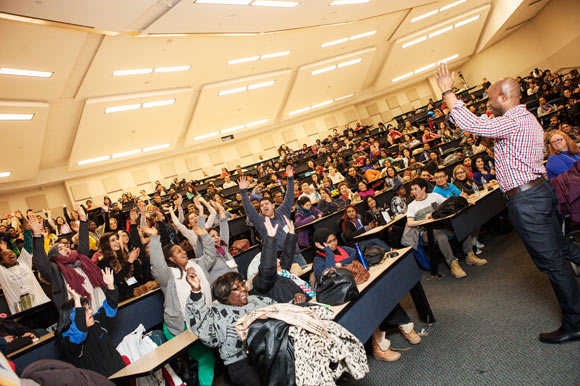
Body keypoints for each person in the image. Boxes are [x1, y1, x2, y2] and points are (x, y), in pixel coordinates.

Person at [436, 63, 580, 342]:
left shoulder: (513, 120)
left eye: (490, 100)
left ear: (503, 96)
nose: (489, 105)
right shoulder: (526, 119)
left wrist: (447, 91)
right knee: (561, 247)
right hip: (539, 193)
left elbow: (471, 123)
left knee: (552, 262)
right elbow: (502, 148)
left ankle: (575, 323)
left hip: (527, 200)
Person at [312, 228, 420, 362]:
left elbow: (358, 254)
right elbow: (329, 273)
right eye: (329, 242)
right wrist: (329, 253)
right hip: (343, 298)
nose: (334, 243)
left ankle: (405, 325)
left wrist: (341, 263)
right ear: (320, 244)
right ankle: (379, 347)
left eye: (334, 239)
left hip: (359, 283)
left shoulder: (342, 249)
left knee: (381, 291)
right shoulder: (318, 261)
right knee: (366, 303)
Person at [147, 223, 216, 386]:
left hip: (204, 321)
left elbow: (211, 256)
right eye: (178, 251)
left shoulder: (197, 265)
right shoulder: (168, 276)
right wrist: (154, 238)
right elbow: (157, 265)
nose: (183, 251)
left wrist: (204, 235)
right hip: (181, 327)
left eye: (182, 249)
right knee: (206, 356)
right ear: (171, 259)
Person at [185, 270, 276, 386]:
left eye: (242, 285)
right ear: (225, 295)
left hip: (269, 353)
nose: (243, 289)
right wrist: (196, 292)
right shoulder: (217, 312)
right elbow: (205, 332)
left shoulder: (255, 300)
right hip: (242, 362)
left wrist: (295, 303)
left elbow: (279, 311)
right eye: (236, 288)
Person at [403, 178, 487, 279]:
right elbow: (410, 222)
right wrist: (425, 220)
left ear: (423, 188)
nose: (413, 192)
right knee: (441, 236)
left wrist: (467, 201)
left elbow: (449, 204)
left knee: (461, 227)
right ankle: (453, 264)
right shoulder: (412, 205)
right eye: (412, 190)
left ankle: (470, 255)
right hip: (426, 232)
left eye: (416, 189)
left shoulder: (434, 196)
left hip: (441, 226)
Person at [29, 206, 107, 313]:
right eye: (60, 248)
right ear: (54, 255)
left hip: (97, 298)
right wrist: (37, 235)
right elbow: (41, 262)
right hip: (77, 309)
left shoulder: (79, 258)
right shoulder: (54, 268)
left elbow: (84, 242)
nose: (65, 248)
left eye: (65, 246)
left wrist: (83, 218)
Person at [56, 267, 125, 377]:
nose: (90, 312)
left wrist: (110, 286)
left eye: (89, 308)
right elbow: (79, 331)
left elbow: (110, 307)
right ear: (72, 316)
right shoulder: (69, 340)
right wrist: (77, 302)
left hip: (121, 375)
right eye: (85, 310)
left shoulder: (96, 322)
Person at [239, 166, 307, 266]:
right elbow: (249, 210)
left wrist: (290, 178)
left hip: (297, 253)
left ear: (273, 205)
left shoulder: (282, 211)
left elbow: (289, 196)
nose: (264, 206)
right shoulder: (260, 221)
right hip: (281, 259)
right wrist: (243, 192)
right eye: (262, 205)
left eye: (266, 204)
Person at [251, 217, 313, 303]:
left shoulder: (281, 273)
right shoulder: (264, 284)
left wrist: (291, 234)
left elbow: (287, 255)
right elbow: (267, 269)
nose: (278, 261)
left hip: (311, 300)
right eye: (274, 260)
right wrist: (270, 239)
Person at [0, 224, 50, 315]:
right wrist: (2, 250)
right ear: (2, 261)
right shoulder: (2, 272)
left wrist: (27, 228)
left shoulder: (24, 261)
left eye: (11, 252)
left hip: (43, 304)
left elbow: (28, 244)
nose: (10, 254)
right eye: (6, 254)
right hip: (23, 314)